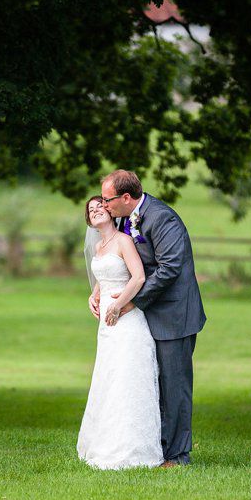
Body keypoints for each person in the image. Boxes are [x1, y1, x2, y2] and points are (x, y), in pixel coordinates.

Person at [89, 170, 206, 466]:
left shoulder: (163, 218)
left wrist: (132, 302)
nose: (103, 205)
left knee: (174, 384)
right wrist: (100, 290)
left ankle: (178, 456)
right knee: (150, 382)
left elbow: (169, 268)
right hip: (147, 315)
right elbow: (120, 262)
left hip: (174, 314)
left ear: (125, 198)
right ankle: (156, 449)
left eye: (107, 199)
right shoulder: (127, 220)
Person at [77, 196, 164, 469]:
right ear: (89, 221)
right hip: (106, 327)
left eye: (100, 206)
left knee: (128, 380)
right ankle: (105, 443)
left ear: (110, 211)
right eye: (91, 210)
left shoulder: (124, 240)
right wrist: (94, 295)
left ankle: (134, 450)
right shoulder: (100, 247)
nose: (96, 211)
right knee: (109, 379)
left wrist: (118, 304)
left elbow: (137, 277)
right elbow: (104, 277)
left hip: (128, 322)